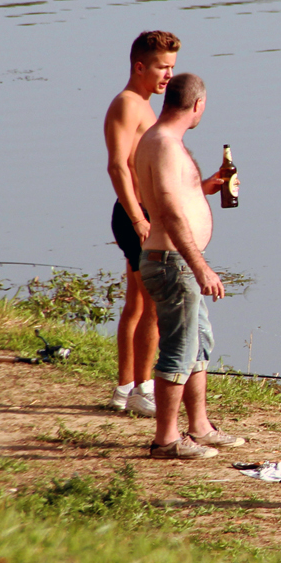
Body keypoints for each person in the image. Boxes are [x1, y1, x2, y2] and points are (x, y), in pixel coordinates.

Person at [135, 71, 246, 459]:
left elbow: (174, 196)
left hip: (174, 259)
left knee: (198, 344)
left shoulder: (159, 139)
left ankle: (199, 427)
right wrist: (200, 266)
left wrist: (204, 189)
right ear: (197, 105)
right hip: (173, 261)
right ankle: (166, 439)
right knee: (179, 350)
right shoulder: (165, 143)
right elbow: (166, 209)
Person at [102, 30, 178, 416]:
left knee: (136, 304)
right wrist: (136, 216)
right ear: (139, 66)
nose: (168, 76)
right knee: (150, 307)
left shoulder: (146, 105)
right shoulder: (127, 105)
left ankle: (124, 388)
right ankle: (141, 389)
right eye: (163, 68)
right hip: (134, 214)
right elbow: (117, 165)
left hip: (142, 212)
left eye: (172, 68)